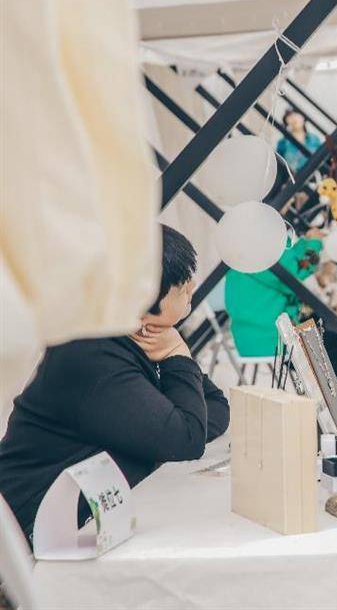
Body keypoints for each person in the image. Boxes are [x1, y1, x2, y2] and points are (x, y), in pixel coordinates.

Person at [0, 225, 229, 538]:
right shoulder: (92, 355)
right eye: (183, 285)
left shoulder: (140, 338)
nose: (192, 288)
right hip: (32, 531)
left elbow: (213, 407)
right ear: (144, 298)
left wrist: (180, 406)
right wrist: (177, 356)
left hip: (85, 519)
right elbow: (186, 440)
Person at [224, 229, 337, 388]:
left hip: (247, 340)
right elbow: (301, 267)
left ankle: (329, 388)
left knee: (320, 325)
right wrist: (314, 243)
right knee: (334, 340)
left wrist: (304, 242)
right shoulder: (266, 257)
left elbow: (289, 259)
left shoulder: (243, 258)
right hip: (274, 341)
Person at [276, 109, 323, 174]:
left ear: (303, 117)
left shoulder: (314, 139)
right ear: (286, 121)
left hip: (316, 176)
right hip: (296, 178)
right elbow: (279, 168)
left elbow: (322, 159)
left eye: (296, 113)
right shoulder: (283, 143)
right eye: (289, 115)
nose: (294, 117)